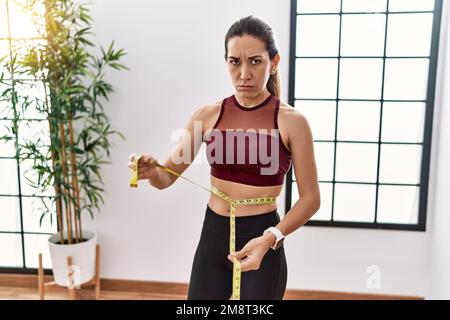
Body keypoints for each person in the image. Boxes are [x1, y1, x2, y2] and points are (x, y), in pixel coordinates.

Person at [128, 15, 320, 300]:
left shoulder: (293, 122)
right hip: (213, 236)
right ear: (227, 62)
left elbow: (311, 199)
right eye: (234, 62)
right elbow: (166, 176)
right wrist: (150, 170)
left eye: (255, 61)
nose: (244, 73)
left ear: (274, 62)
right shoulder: (206, 116)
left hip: (263, 235)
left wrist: (271, 238)